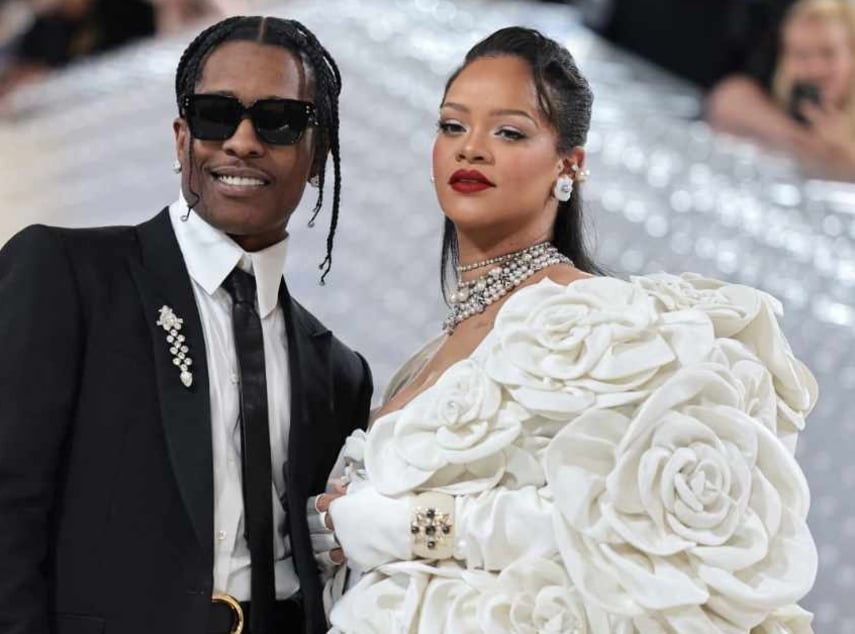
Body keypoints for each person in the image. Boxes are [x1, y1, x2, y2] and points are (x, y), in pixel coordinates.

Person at [311, 27, 820, 633]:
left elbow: (625, 525)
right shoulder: (429, 355)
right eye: (453, 126)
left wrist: (396, 526)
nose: (471, 149)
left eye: (509, 132)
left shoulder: (598, 325)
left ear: (569, 164)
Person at [0, 15, 372, 634]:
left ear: (315, 154)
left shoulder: (338, 371)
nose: (242, 141)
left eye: (278, 120)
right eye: (215, 114)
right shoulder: (64, 277)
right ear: (181, 138)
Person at [707, 0, 855, 179]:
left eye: (828, 54)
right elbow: (726, 99)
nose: (815, 69)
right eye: (802, 55)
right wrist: (808, 144)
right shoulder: (779, 104)